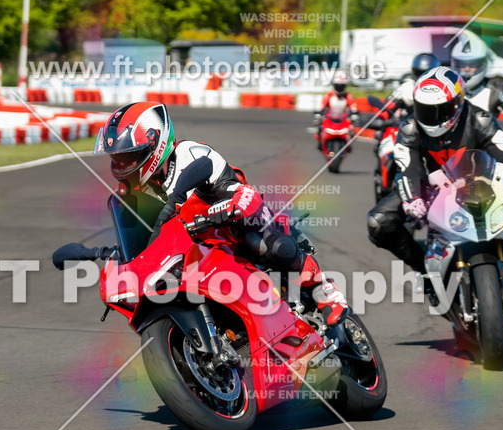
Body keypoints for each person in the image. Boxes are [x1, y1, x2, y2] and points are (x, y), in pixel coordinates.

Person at [95, 101, 350, 326]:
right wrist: (114, 255)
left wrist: (228, 208)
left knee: (262, 242)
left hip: (232, 225)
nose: (121, 165)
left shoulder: (191, 155)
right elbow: (143, 237)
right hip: (195, 249)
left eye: (129, 156)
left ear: (155, 144)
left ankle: (322, 288)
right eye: (117, 158)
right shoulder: (130, 191)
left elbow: (244, 193)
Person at [366, 67, 503, 296]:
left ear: (456, 103)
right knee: (378, 223)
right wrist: (413, 198)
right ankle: (423, 269)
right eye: (424, 109)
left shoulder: (480, 119)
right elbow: (409, 168)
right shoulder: (409, 128)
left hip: (479, 181)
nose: (430, 117)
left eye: (438, 110)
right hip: (431, 188)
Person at [369, 53, 441, 200]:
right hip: (410, 129)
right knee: (389, 147)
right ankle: (385, 185)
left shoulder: (443, 87)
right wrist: (383, 117)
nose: (423, 76)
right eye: (421, 73)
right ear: (414, 72)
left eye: (427, 73)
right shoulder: (406, 88)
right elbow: (389, 106)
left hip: (437, 132)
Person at [315, 71, 358, 149]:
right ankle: (320, 143)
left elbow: (353, 107)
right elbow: (321, 106)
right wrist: (318, 114)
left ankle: (348, 145)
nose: (340, 87)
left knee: (352, 129)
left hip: (343, 119)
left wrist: (354, 115)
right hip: (329, 118)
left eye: (342, 85)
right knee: (320, 126)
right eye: (338, 85)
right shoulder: (329, 95)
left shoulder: (348, 96)